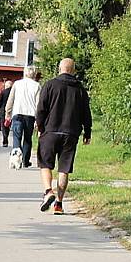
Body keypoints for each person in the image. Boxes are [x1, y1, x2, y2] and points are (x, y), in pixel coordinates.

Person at [36, 58, 92, 215]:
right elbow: (86, 113)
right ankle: (59, 204)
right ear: (73, 70)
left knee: (45, 164)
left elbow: (41, 109)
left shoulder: (50, 85)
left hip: (50, 131)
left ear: (59, 69)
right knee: (64, 169)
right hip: (70, 134)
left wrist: (40, 127)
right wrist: (87, 132)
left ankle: (48, 191)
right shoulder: (80, 89)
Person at [5, 65, 40, 168]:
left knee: (17, 137)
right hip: (30, 115)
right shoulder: (37, 86)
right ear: (34, 74)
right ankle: (25, 160)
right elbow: (38, 104)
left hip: (17, 113)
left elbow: (10, 100)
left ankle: (16, 157)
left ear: (24, 73)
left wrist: (8, 113)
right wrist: (38, 119)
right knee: (27, 139)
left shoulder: (17, 84)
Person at [0, 80, 13, 147]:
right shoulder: (14, 92)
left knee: (4, 125)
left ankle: (5, 140)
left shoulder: (3, 92)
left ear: (6, 86)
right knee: (9, 125)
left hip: (3, 110)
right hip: (12, 111)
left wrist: (1, 107)